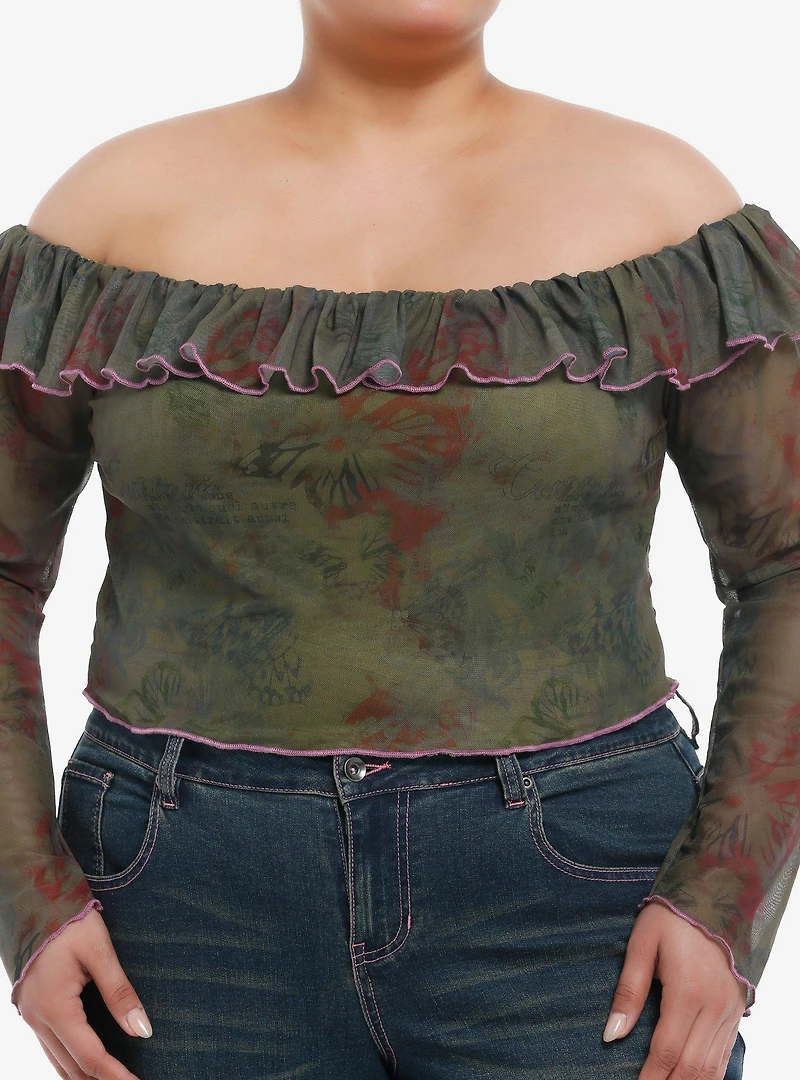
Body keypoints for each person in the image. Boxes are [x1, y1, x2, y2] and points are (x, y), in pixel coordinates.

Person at [1, 1, 798, 1077]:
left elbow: (784, 562)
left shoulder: (664, 211)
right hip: (176, 910)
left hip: (586, 906)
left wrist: (724, 900)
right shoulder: (107, 215)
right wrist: (29, 901)